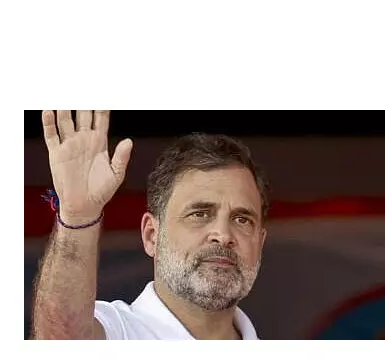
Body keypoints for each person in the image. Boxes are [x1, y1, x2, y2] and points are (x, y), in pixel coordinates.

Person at [32, 110, 270, 340]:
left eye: (242, 220)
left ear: (260, 243)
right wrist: (78, 217)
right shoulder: (116, 333)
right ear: (151, 235)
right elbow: (61, 336)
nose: (223, 234)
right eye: (200, 214)